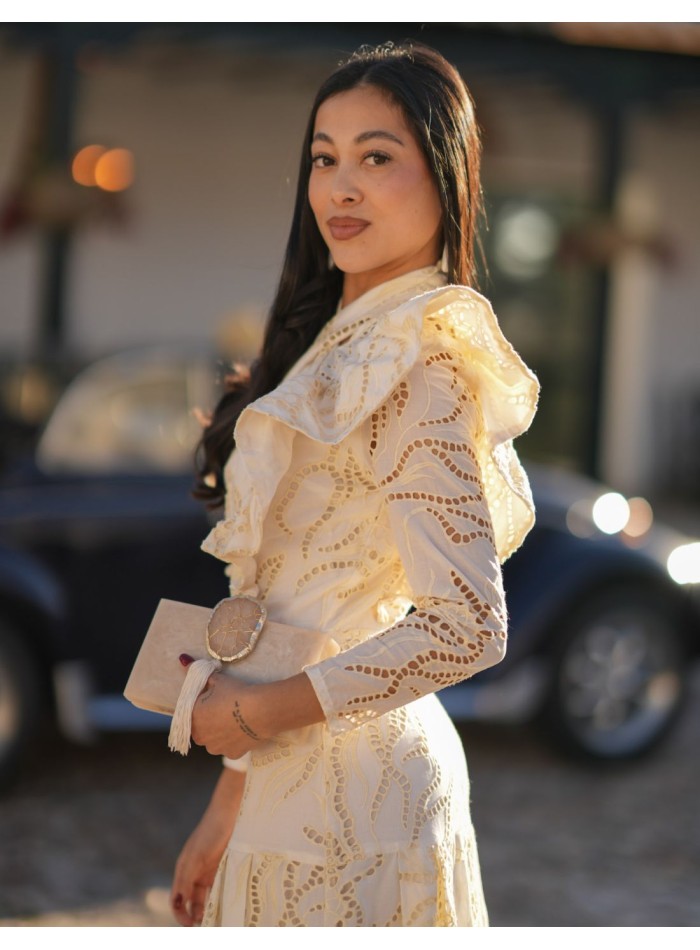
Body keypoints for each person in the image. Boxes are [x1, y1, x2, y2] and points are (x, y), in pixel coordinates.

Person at [170, 41, 539, 928]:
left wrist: (257, 715)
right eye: (324, 159)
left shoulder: (421, 362)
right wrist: (228, 802)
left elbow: (466, 626)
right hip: (282, 793)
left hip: (362, 807)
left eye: (378, 157)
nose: (342, 186)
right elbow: (281, 609)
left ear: (445, 177)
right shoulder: (334, 343)